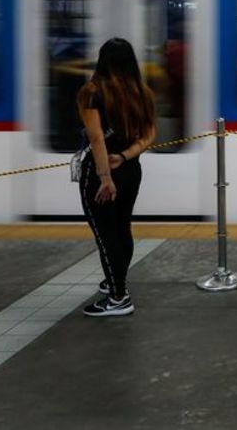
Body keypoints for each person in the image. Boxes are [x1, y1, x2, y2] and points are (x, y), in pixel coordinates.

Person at [76, 38, 156, 317]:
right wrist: (124, 156)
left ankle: (119, 297)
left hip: (100, 172)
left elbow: (97, 138)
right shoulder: (142, 92)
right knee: (122, 228)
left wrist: (104, 176)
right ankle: (115, 280)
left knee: (105, 234)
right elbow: (149, 136)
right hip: (131, 169)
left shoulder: (91, 92)